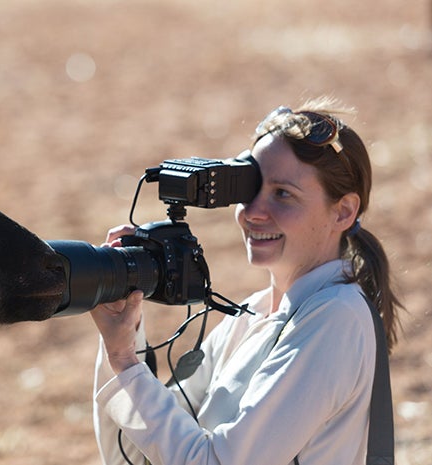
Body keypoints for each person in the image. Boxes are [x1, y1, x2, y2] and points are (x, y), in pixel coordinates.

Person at [90, 97, 403, 465]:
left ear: (344, 211)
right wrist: (126, 329)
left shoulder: (336, 319)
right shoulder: (252, 315)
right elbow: (132, 454)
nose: (253, 212)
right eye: (251, 190)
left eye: (283, 194)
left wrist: (125, 362)